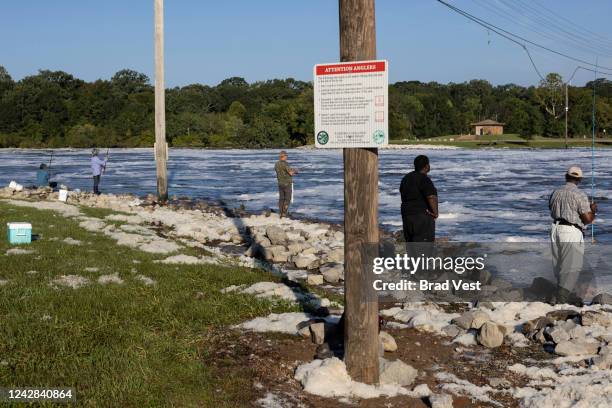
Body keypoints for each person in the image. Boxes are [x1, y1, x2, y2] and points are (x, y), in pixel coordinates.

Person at [549, 166, 597, 292]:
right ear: (580, 179)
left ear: (566, 176)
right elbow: (587, 219)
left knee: (559, 265)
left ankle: (559, 294)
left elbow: (551, 208)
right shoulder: (580, 194)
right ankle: (562, 299)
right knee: (572, 267)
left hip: (555, 229)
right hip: (571, 231)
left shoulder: (555, 192)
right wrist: (593, 211)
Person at [400, 155, 438, 242]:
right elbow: (431, 196)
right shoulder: (424, 179)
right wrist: (435, 213)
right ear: (427, 166)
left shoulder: (406, 178)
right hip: (421, 216)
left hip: (407, 215)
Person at [274, 150, 297, 218]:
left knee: (281, 199)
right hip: (287, 183)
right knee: (288, 199)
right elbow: (290, 173)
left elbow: (280, 171)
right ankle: (284, 213)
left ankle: (280, 212)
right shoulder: (285, 164)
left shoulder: (276, 164)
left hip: (280, 183)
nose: (287, 157)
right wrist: (295, 171)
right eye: (286, 156)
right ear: (283, 156)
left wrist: (291, 170)